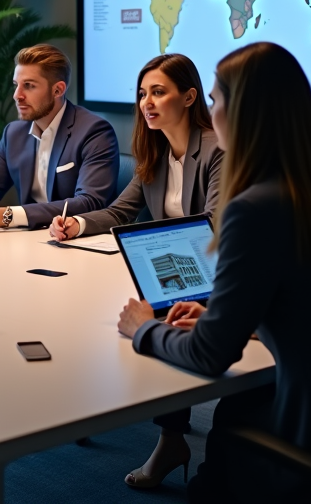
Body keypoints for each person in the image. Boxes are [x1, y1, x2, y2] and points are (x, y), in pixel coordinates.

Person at [117, 42, 311, 503]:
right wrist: (223, 317)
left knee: (232, 418)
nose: (212, 111)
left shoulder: (255, 207)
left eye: (216, 99)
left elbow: (210, 358)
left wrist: (143, 328)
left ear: (244, 112)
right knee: (240, 406)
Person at [49, 53, 222, 489]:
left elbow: (218, 223)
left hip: (216, 271)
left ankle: (170, 437)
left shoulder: (218, 147)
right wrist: (77, 224)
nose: (147, 102)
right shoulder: (155, 150)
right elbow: (123, 211)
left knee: (159, 312)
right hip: (174, 269)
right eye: (143, 94)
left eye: (159, 92)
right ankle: (120, 411)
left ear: (189, 96)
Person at [0, 44, 120, 230]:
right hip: (28, 240)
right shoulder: (13, 134)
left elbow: (89, 202)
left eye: (28, 86)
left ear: (58, 90)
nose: (17, 95)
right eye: (16, 85)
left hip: (77, 243)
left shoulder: (94, 132)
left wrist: (6, 215)